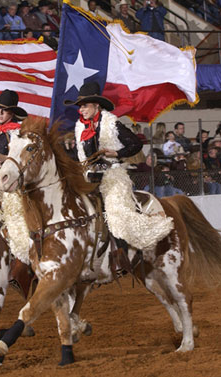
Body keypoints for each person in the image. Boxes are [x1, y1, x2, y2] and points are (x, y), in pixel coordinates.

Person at [69, 81, 172, 251]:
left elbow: (136, 144)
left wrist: (116, 153)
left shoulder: (112, 123)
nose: (81, 110)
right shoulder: (80, 127)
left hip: (112, 174)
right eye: (80, 107)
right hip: (88, 175)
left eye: (85, 106)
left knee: (117, 213)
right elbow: (80, 154)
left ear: (96, 105)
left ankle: (127, 249)